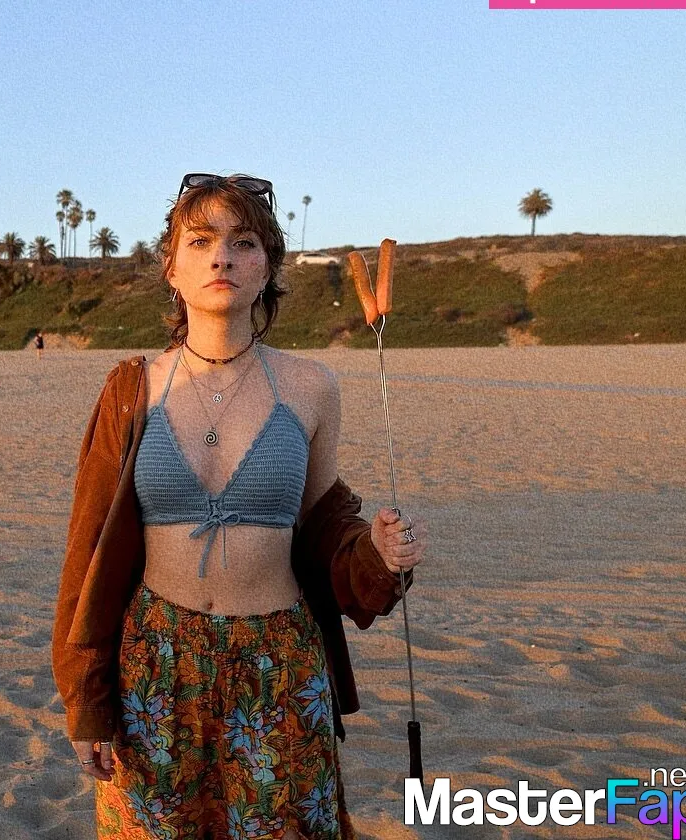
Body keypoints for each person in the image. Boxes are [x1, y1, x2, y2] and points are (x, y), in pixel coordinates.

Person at [52, 173, 428, 840]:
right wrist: (87, 700)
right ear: (171, 268)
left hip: (279, 660)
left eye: (243, 242)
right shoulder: (132, 388)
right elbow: (88, 550)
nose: (221, 257)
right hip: (154, 662)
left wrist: (374, 550)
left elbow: (325, 526)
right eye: (200, 241)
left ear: (268, 269)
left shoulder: (312, 387)